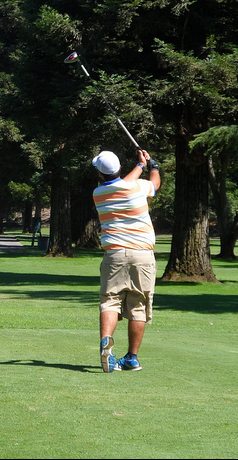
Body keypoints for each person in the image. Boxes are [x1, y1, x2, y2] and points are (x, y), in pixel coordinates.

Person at [92, 149, 161, 373]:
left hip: (113, 255)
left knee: (110, 301)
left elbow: (124, 182)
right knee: (138, 306)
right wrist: (153, 167)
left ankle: (106, 342)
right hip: (142, 255)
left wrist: (141, 166)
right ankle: (132, 358)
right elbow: (155, 185)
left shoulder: (99, 192)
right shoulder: (137, 187)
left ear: (100, 175)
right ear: (120, 168)